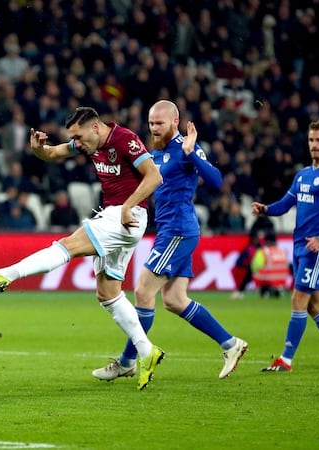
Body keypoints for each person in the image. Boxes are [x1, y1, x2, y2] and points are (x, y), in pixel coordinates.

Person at [0, 106, 165, 390]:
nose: (77, 144)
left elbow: (154, 176)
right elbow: (54, 154)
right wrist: (38, 149)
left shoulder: (124, 139)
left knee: (68, 245)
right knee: (107, 293)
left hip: (125, 216)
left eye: (79, 138)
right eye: (74, 139)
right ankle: (147, 352)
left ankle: (7, 274)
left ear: (95, 127)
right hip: (118, 218)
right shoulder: (89, 142)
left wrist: (129, 205)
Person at [93, 100, 248, 383]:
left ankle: (127, 361)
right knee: (175, 300)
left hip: (179, 230)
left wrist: (193, 154)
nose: (153, 128)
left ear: (174, 123)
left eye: (159, 123)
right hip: (167, 230)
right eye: (151, 123)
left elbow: (216, 181)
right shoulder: (157, 152)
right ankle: (230, 344)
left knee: (142, 292)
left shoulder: (184, 148)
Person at [251, 120, 319, 372]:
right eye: (311, 140)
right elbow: (286, 203)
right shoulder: (303, 175)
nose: (314, 144)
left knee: (299, 299)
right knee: (313, 305)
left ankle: (285, 360)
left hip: (317, 247)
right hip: (300, 245)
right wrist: (266, 209)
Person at [250, 233, 289, 298]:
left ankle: (265, 289)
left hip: (267, 279)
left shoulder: (264, 251)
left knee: (253, 271)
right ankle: (278, 289)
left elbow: (254, 266)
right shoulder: (282, 251)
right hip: (282, 279)